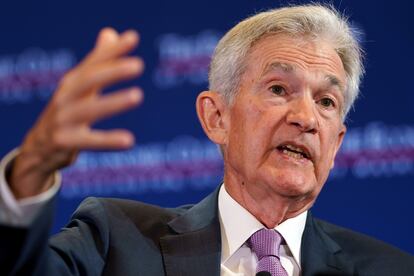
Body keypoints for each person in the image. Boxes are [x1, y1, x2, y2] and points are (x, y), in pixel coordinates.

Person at [1, 3, 413, 276]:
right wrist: (29, 174)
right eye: (278, 89)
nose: (306, 118)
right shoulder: (115, 240)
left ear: (336, 143)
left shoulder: (390, 269)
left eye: (326, 100)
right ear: (216, 117)